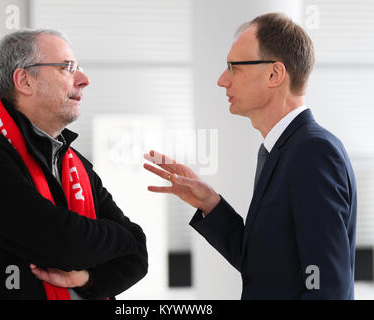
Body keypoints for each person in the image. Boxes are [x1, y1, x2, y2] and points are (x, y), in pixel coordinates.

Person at [143, 13, 357, 299]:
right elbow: (265, 266)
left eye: (234, 67)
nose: (221, 80)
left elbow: (326, 283)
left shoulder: (312, 152)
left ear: (274, 74)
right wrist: (209, 203)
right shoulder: (280, 149)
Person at [0, 29, 148, 300]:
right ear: (25, 81)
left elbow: (139, 256)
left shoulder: (78, 164)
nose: (84, 79)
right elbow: (63, 244)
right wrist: (124, 237)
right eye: (67, 67)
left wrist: (87, 279)